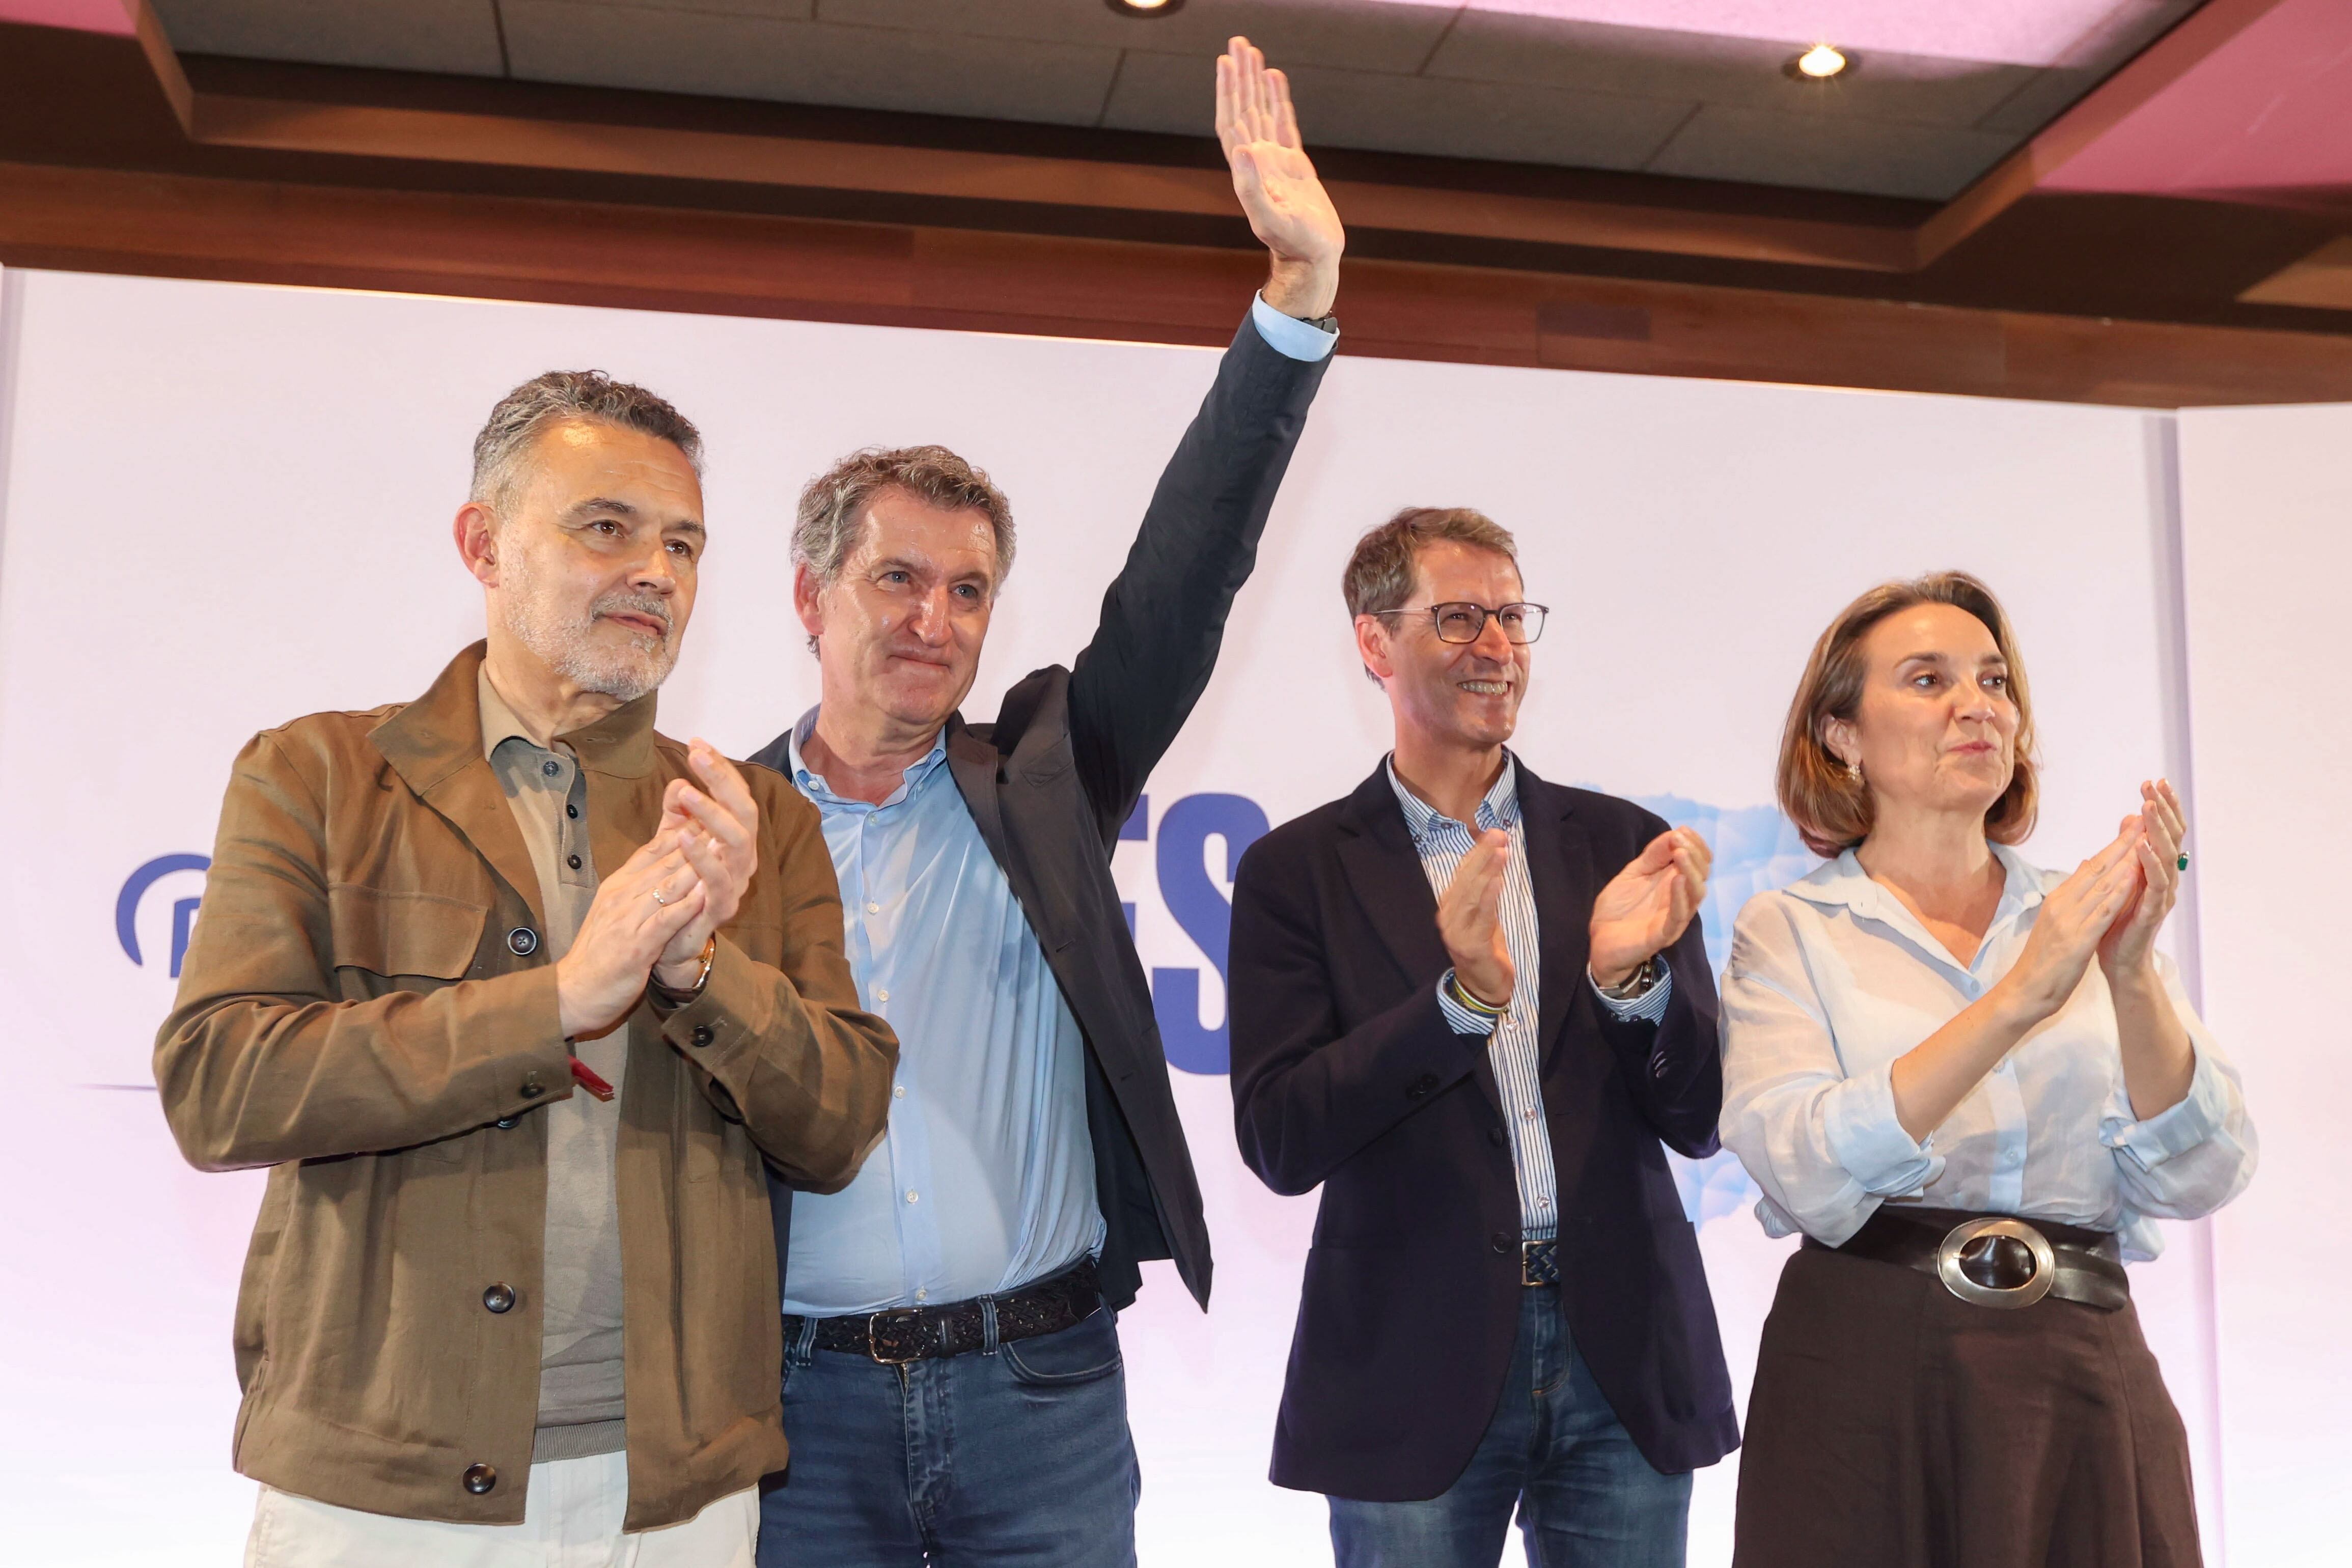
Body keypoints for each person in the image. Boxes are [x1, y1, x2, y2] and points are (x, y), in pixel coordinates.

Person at [742, 35, 1343, 1568]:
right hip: (793, 1415)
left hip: (1044, 1393)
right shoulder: (711, 831)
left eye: (966, 589)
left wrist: (1293, 308)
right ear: (809, 596)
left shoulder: (1045, 780)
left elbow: (1185, 570)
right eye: (895, 578)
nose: (933, 618)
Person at [154, 372, 899, 1567]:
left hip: (676, 1495)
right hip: (382, 1485)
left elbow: (841, 1122)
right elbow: (217, 1083)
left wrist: (702, 970)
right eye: (606, 527)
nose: (656, 570)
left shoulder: (752, 816)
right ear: (484, 543)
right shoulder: (320, 776)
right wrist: (557, 1000)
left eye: (683, 543)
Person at [1226, 507, 1738, 1568]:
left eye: (1512, 617)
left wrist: (1631, 982)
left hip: (1623, 1355)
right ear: (1375, 643)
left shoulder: (1619, 843)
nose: (1498, 648)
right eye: (1459, 619)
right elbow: (1281, 1138)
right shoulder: (1298, 871)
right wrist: (1455, 1005)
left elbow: (1697, 1117)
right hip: (1408, 1361)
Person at [1719, 571, 2257, 1567]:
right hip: (1866, 1362)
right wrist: (2017, 997)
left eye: (1994, 680)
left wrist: (2128, 972)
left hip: (2081, 1363)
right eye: (1927, 680)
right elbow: (1803, 1166)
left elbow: (2205, 1171)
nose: (1978, 706)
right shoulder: (1790, 929)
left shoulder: (2089, 911)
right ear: (1842, 734)